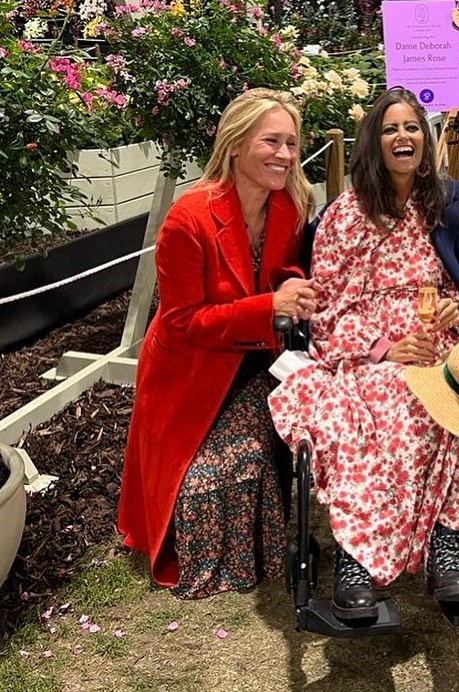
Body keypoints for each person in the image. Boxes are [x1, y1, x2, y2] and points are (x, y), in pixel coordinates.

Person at [269, 87, 459, 621]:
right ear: (373, 144)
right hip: (369, 350)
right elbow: (327, 308)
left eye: (412, 127)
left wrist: (450, 310)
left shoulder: (442, 206)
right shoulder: (345, 216)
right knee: (387, 402)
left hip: (437, 341)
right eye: (391, 129)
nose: (403, 137)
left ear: (426, 138)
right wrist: (384, 347)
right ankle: (357, 557)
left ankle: (446, 546)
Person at [118, 88, 318, 598]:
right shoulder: (188, 219)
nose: (285, 155)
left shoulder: (290, 206)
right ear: (234, 145)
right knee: (198, 486)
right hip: (190, 375)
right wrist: (268, 306)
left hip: (257, 363)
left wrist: (289, 287)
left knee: (237, 463)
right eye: (270, 141)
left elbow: (285, 270)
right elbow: (184, 322)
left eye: (292, 143)